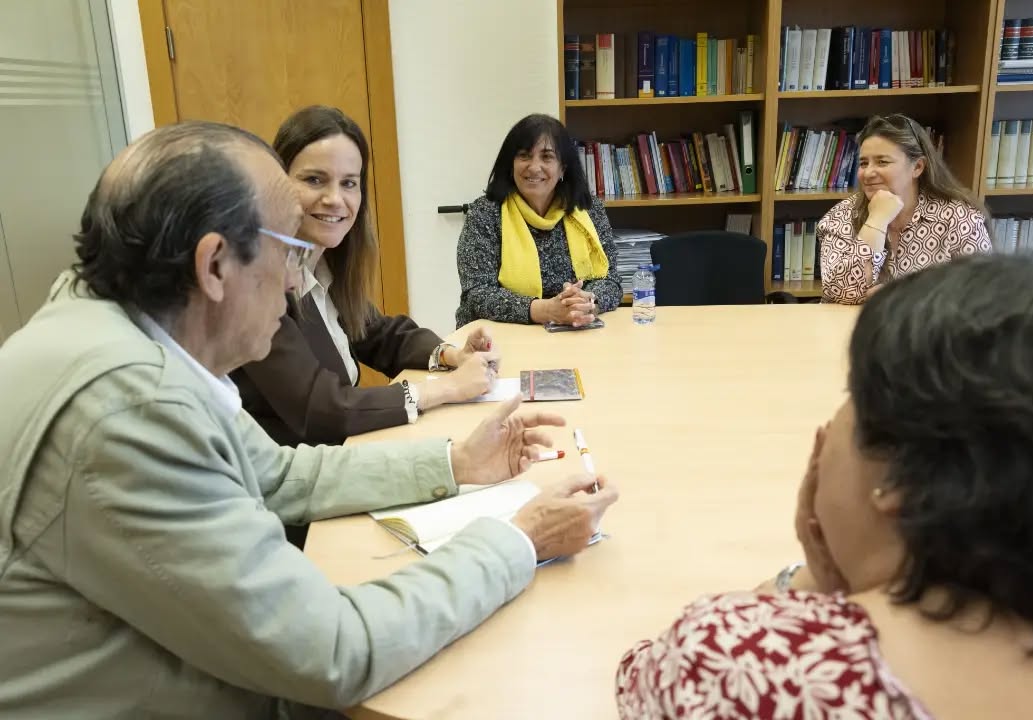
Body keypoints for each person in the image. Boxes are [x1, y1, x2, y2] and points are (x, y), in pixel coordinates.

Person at [0, 120, 619, 719]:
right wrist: (519, 539)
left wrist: (457, 462)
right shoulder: (135, 409)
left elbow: (279, 475)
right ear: (214, 266)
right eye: (290, 250)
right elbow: (334, 654)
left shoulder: (114, 330)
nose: (299, 279)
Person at [615, 253, 1033, 719]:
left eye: (852, 395)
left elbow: (641, 681)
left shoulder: (748, 666)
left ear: (901, 475)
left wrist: (807, 583)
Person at [233, 105, 497, 450]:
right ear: (278, 184)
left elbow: (380, 334)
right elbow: (321, 409)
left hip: (338, 460)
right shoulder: (260, 285)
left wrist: (452, 355)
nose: (335, 199)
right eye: (314, 180)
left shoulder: (324, 267)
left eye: (349, 183)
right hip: (290, 480)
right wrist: (448, 389)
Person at [455, 113, 621, 328]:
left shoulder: (588, 210)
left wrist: (587, 304)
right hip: (494, 339)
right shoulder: (485, 213)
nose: (534, 167)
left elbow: (611, 280)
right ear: (511, 163)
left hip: (571, 331)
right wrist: (545, 310)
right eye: (524, 155)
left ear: (563, 167)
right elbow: (477, 293)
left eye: (547, 157)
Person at [818, 113, 992, 304]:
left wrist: (903, 297)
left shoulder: (958, 218)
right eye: (863, 163)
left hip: (928, 330)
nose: (868, 173)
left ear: (917, 167)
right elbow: (841, 293)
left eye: (882, 162)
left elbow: (981, 293)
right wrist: (876, 220)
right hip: (851, 330)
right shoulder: (841, 216)